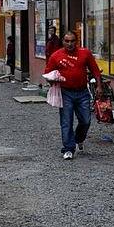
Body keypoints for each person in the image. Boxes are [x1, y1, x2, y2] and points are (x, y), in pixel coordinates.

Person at [45, 31, 103, 160]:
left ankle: (78, 139)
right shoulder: (56, 56)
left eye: (72, 41)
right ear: (63, 41)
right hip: (65, 92)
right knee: (66, 121)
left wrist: (99, 86)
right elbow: (47, 73)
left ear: (76, 42)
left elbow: (95, 70)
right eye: (67, 41)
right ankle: (68, 148)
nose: (69, 44)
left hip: (82, 92)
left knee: (86, 120)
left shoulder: (85, 53)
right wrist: (53, 79)